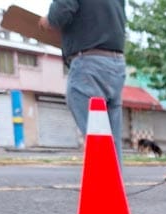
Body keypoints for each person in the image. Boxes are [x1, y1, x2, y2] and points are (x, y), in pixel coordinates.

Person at [39, 0, 126, 165]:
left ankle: (104, 188)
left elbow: (61, 11)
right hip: (116, 64)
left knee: (98, 137)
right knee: (111, 139)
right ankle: (112, 187)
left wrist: (47, 21)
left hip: (89, 63)